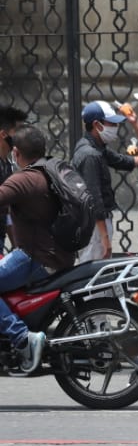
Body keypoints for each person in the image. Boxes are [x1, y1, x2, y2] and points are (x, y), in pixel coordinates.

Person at [0, 126, 76, 373]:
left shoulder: (23, 179)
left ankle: (22, 338)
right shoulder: (51, 171)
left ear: (16, 152)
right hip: (59, 255)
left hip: (36, 258)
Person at [72, 101, 138, 261]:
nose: (116, 127)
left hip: (96, 225)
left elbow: (123, 161)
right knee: (94, 270)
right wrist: (104, 237)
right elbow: (94, 200)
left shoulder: (97, 147)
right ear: (97, 124)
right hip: (94, 227)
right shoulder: (90, 155)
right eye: (112, 123)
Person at [0, 105, 31, 252]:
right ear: (3, 134)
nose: (21, 137)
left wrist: (17, 245)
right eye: (17, 132)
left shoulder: (6, 164)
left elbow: (6, 209)